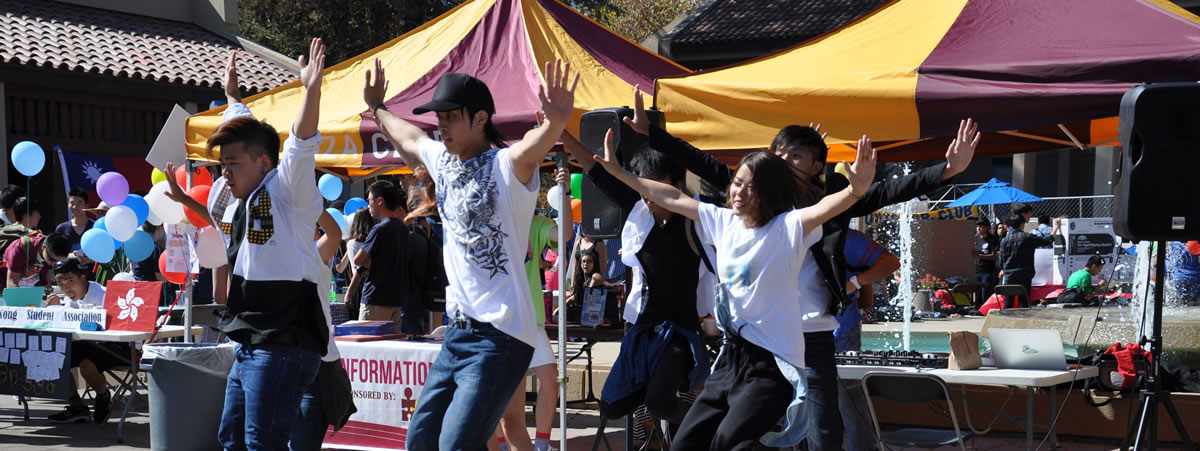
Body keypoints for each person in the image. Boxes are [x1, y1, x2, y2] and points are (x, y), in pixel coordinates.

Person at [615, 86, 980, 449]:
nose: (783, 160)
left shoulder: (823, 204)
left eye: (796, 156)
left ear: (816, 167)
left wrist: (949, 169)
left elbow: (885, 191)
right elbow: (699, 165)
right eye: (779, 153)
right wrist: (653, 134)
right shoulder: (748, 195)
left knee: (822, 427)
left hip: (811, 332)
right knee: (742, 428)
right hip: (756, 338)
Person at [591, 124, 877, 450]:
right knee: (685, 442)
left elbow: (825, 208)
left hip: (772, 367)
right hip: (730, 360)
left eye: (750, 187)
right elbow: (670, 195)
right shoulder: (722, 221)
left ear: (768, 192)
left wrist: (856, 191)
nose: (739, 192)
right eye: (737, 183)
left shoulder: (788, 227)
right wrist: (617, 172)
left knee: (727, 443)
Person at [364, 56, 578, 449]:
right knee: (420, 442)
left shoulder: (507, 166)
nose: (441, 124)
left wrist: (554, 123)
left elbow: (532, 146)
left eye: (450, 116)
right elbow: (409, 136)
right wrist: (378, 108)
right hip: (457, 334)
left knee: (457, 445)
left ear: (480, 119)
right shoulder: (442, 162)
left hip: (500, 336)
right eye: (438, 116)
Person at [165, 38, 329, 449]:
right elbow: (221, 224)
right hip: (251, 342)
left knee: (262, 444)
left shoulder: (289, 190)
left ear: (264, 163)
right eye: (221, 166)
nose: (224, 174)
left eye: (232, 165)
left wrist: (311, 90)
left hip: (283, 344)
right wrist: (233, 96)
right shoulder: (241, 202)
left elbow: (300, 145)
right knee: (232, 439)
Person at [560, 119, 726, 433]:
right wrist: (561, 132)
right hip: (641, 329)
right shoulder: (638, 211)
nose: (647, 192)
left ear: (675, 183)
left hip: (681, 332)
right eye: (641, 183)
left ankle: (716, 426)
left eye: (654, 183)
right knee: (612, 405)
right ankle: (675, 404)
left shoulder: (699, 219)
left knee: (660, 402)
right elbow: (595, 169)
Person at [494, 168, 572, 451]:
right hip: (500, 322)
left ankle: (540, 445)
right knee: (506, 397)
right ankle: (503, 445)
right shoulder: (492, 221)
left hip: (530, 320)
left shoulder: (535, 223)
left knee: (550, 380)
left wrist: (564, 194)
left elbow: (564, 234)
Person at [833, 230, 898, 451]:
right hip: (813, 331)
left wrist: (854, 283)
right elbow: (867, 300)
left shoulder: (845, 237)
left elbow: (890, 262)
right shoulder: (792, 232)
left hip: (840, 330)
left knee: (847, 397)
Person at [291, 210, 349, 451]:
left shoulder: (315, 253)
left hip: (318, 365)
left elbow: (334, 233)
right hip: (283, 364)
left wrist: (308, 200)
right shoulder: (275, 258)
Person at [43, 259, 123, 424]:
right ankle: (76, 407)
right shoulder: (71, 298)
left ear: (83, 277)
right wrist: (58, 309)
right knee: (53, 358)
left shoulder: (104, 295)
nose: (66, 288)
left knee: (87, 366)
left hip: (118, 344)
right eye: (60, 283)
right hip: (90, 342)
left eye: (70, 281)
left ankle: (103, 397)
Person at [354, 180, 425, 334]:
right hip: (396, 299)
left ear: (380, 201)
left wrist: (370, 261)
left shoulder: (380, 229)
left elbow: (357, 260)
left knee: (368, 346)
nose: (368, 205)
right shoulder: (403, 229)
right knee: (388, 350)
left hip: (375, 298)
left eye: (369, 200)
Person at [996, 214, 1060, 307]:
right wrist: (1056, 227)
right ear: (1022, 224)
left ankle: (1006, 319)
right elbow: (1048, 240)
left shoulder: (1004, 240)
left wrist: (1003, 269)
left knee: (1008, 303)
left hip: (1009, 276)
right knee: (1024, 302)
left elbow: (1001, 261)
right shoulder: (1028, 237)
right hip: (1024, 275)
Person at [4, 230, 69, 288]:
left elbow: (46, 275)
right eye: (51, 259)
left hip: (33, 284)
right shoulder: (20, 248)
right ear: (43, 247)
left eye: (58, 261)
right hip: (7, 283)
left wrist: (49, 291)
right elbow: (11, 282)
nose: (53, 264)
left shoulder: (48, 252)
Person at [973, 217, 1000, 302]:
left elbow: (993, 255)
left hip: (988, 271)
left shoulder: (993, 239)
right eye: (977, 226)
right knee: (976, 291)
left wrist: (980, 256)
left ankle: (985, 310)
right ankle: (977, 308)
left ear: (987, 227)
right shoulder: (975, 239)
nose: (978, 228)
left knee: (986, 292)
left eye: (981, 226)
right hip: (976, 269)